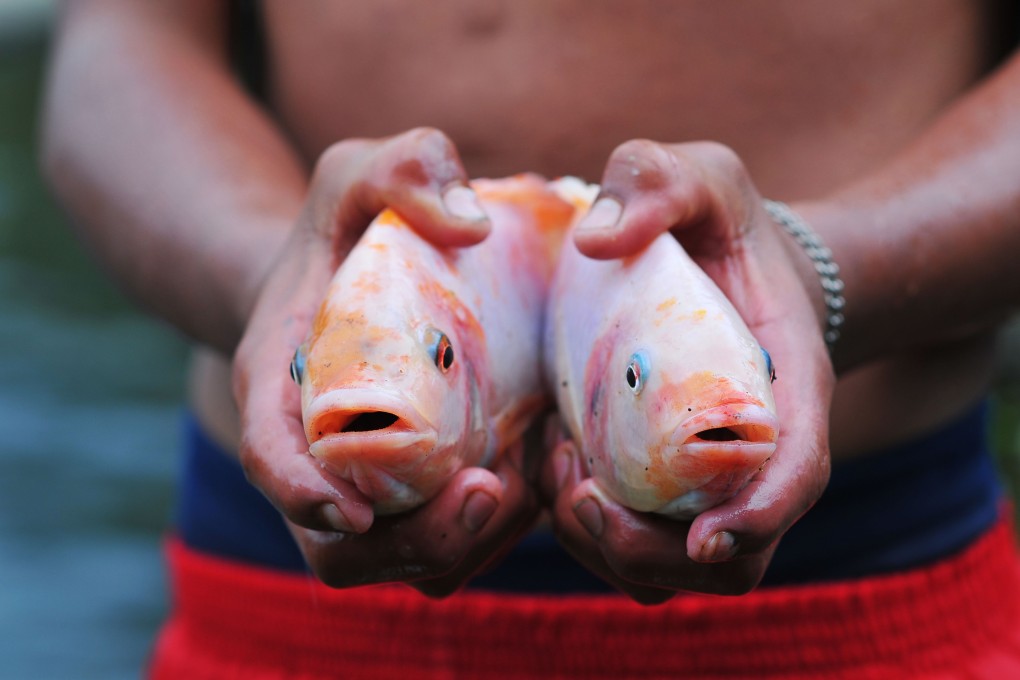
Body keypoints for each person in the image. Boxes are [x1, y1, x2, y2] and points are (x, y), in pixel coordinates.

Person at [41, 1, 1020, 677]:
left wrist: (824, 272)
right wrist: (280, 284)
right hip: (276, 607)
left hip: (875, 595)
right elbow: (122, 41)